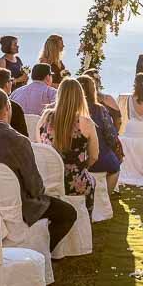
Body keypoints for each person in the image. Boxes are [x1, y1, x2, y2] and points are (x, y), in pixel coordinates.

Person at [0, 87, 78, 251]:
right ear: (7, 108)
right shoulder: (18, 141)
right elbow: (35, 187)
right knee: (68, 213)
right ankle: (42, 252)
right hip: (21, 208)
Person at [37, 77, 99, 209]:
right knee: (91, 182)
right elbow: (94, 156)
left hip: (49, 181)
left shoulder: (45, 117)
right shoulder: (86, 122)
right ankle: (85, 225)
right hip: (76, 182)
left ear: (59, 95)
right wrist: (81, 169)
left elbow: (41, 148)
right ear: (80, 97)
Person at [80, 74, 121, 193]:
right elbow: (111, 137)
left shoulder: (67, 109)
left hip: (72, 161)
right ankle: (105, 196)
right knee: (115, 167)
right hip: (97, 159)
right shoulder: (99, 109)